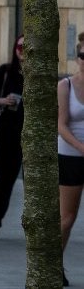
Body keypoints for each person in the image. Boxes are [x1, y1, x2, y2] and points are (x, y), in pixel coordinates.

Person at [0, 36, 26, 239]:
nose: (24, 51)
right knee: (5, 178)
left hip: (33, 134)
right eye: (21, 47)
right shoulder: (6, 71)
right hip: (8, 133)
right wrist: (5, 100)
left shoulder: (42, 73)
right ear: (15, 49)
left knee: (35, 182)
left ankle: (36, 226)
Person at [58, 36, 84, 271]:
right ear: (77, 58)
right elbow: (61, 124)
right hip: (70, 156)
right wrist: (80, 146)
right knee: (67, 217)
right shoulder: (65, 85)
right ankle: (53, 266)